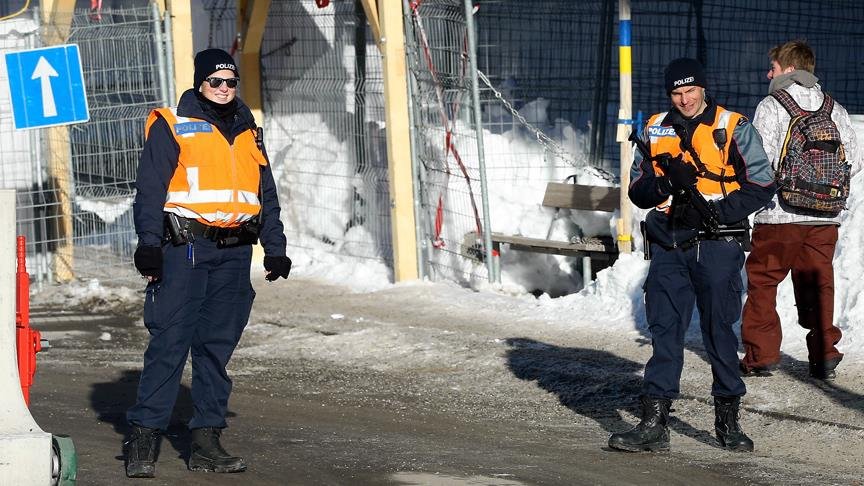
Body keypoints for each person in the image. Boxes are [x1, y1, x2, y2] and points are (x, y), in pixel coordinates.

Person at [123, 48, 293, 478]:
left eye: (230, 82)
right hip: (185, 250)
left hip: (235, 254)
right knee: (170, 343)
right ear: (200, 82)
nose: (223, 89)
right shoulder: (173, 124)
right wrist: (147, 243)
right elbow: (150, 188)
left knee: (216, 350)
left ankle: (206, 441)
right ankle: (143, 438)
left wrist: (274, 247)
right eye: (215, 81)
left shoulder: (248, 129)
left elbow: (265, 194)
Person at [609, 58, 775, 453]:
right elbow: (638, 190)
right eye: (677, 93)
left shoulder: (733, 126)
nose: (684, 100)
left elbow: (763, 183)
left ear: (703, 88)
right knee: (665, 330)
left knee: (719, 331)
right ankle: (654, 423)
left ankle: (728, 420)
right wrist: (666, 181)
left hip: (717, 243)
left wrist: (719, 211)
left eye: (690, 91)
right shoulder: (653, 128)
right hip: (669, 243)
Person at [740, 40, 861, 380]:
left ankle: (761, 356)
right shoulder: (833, 108)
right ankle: (824, 354)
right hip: (825, 217)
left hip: (780, 214)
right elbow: (852, 158)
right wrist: (822, 189)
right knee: (817, 282)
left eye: (774, 67)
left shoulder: (772, 104)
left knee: (763, 282)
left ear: (790, 69)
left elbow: (760, 160)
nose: (769, 73)